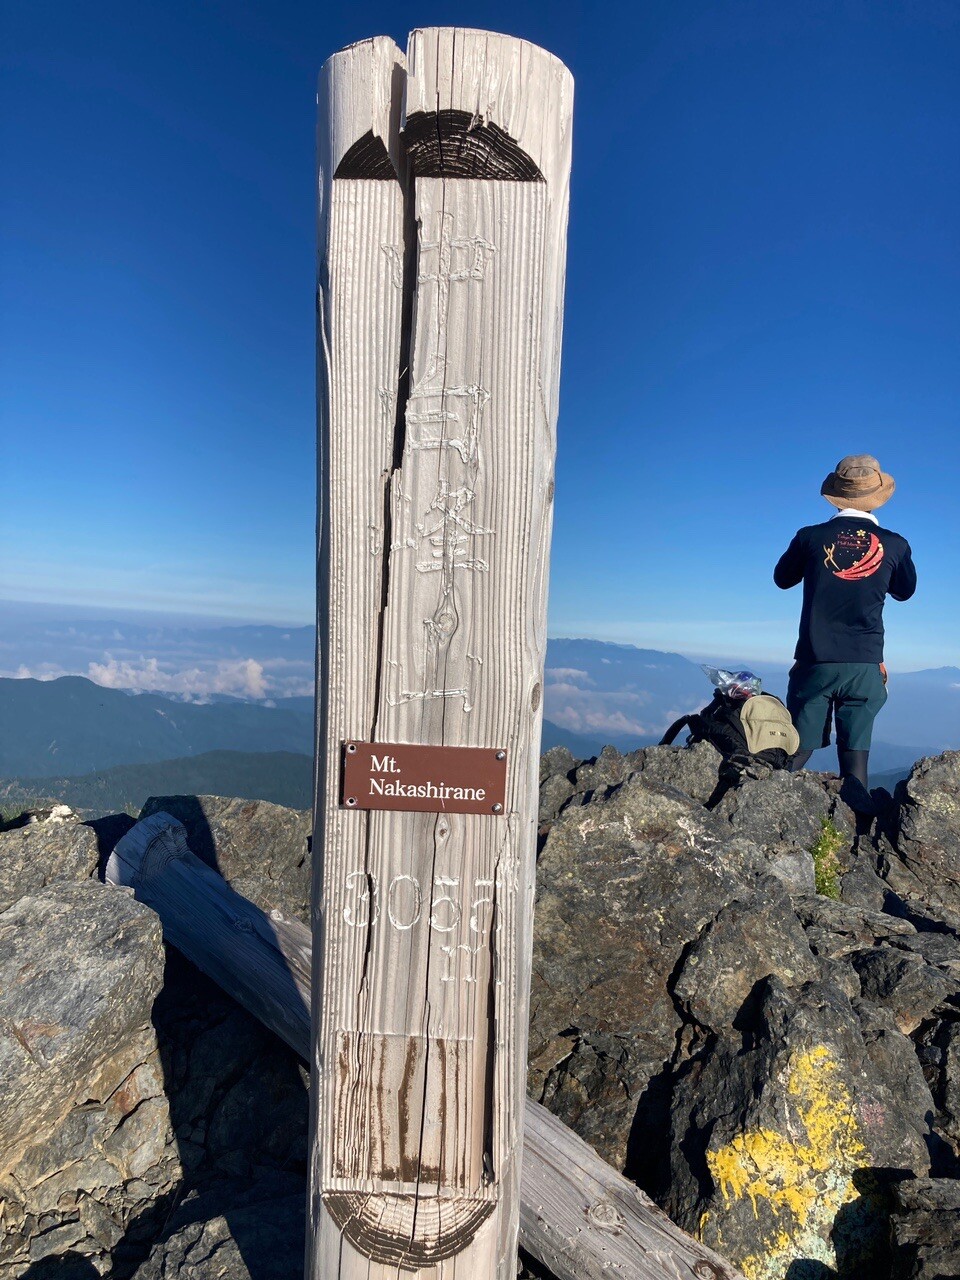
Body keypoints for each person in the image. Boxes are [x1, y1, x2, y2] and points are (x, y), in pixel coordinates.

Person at [774, 454, 917, 812]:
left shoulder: (810, 537)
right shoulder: (895, 544)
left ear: (836, 495)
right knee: (856, 761)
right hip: (866, 665)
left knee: (795, 751)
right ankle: (857, 824)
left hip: (815, 662)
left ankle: (763, 807)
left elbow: (782, 579)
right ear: (876, 496)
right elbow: (905, 591)